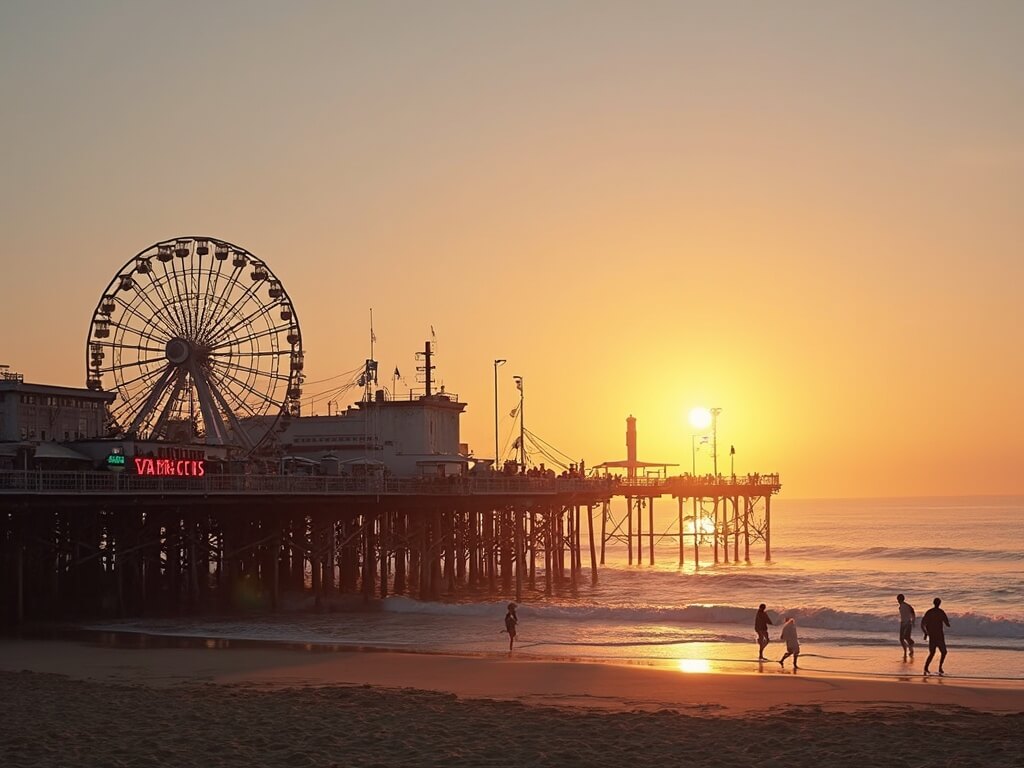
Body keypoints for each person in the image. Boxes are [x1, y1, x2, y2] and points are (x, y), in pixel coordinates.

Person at [921, 597, 951, 675]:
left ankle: (926, 667)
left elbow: (922, 624)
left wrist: (926, 633)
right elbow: (947, 624)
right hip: (939, 636)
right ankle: (940, 667)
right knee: (944, 652)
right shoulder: (941, 612)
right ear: (939, 603)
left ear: (933, 603)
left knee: (932, 653)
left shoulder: (929, 612)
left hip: (932, 635)